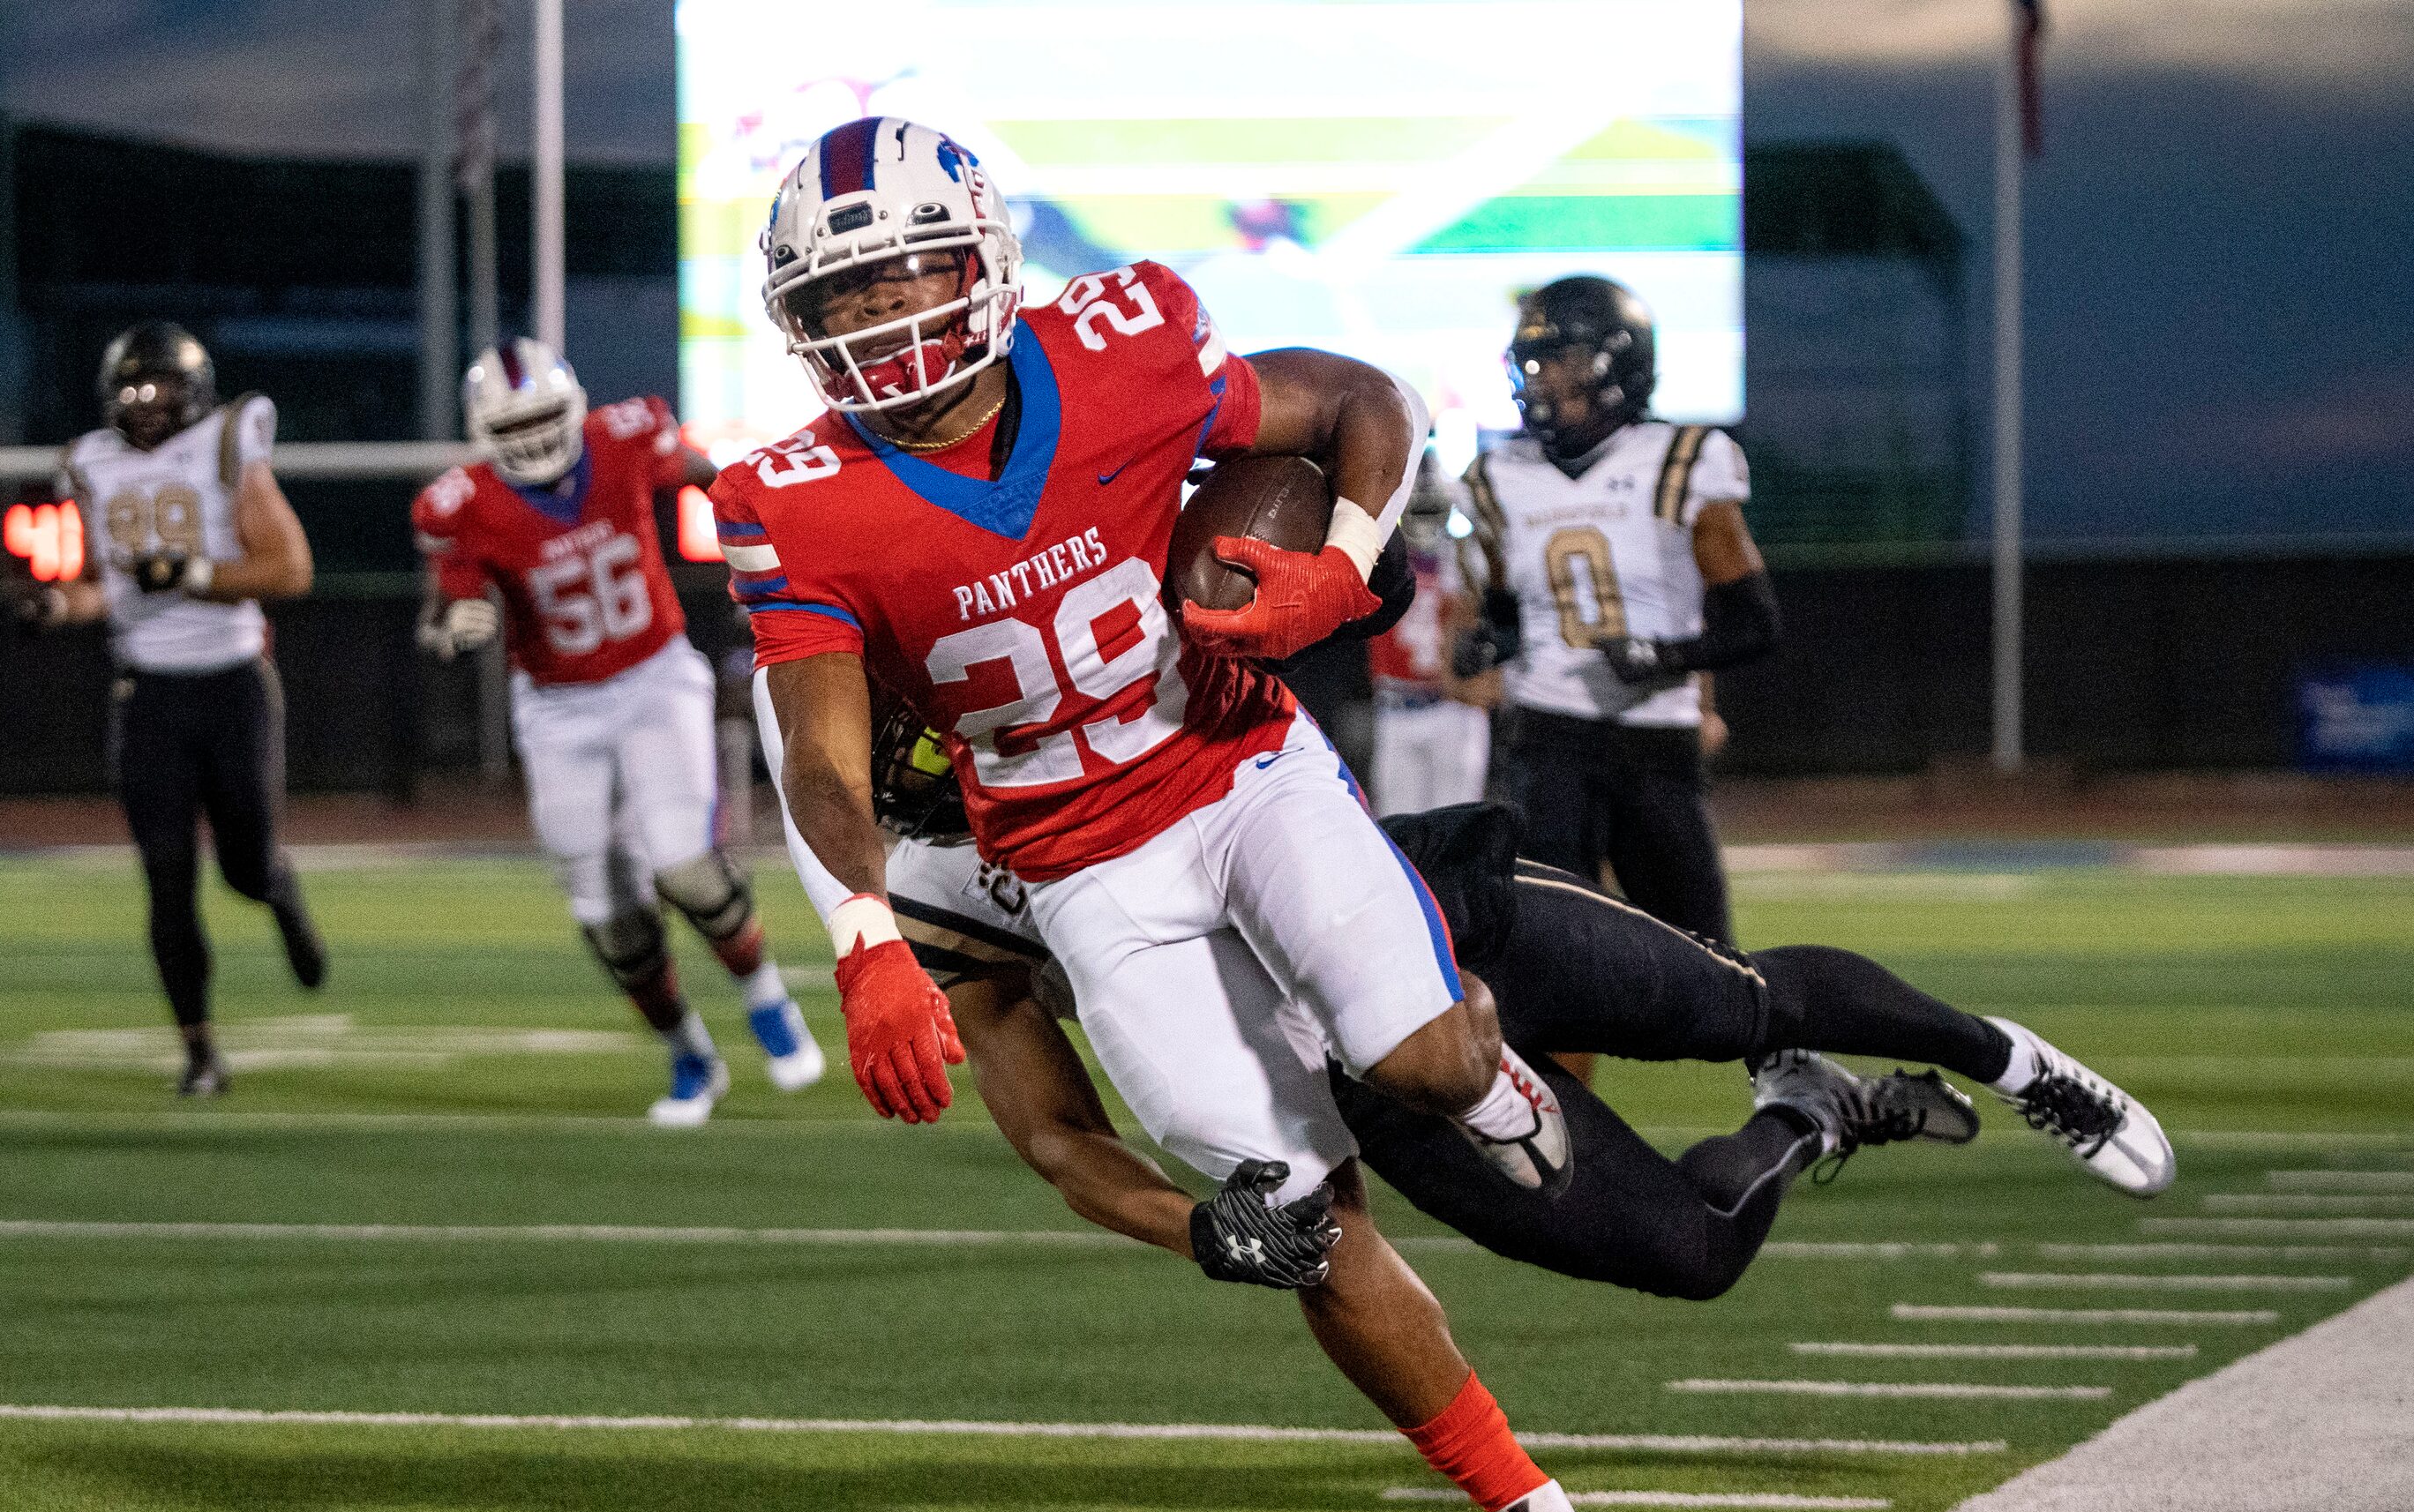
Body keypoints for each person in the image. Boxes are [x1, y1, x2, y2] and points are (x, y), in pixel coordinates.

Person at [725, 116, 1591, 1512]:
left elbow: (1362, 399)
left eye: (901, 276)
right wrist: (864, 937)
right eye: (841, 299)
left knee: (1428, 1060)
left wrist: (1341, 555)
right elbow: (817, 752)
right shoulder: (791, 497)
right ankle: (1524, 1501)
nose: (877, 321)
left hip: (1238, 762)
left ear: (983, 258)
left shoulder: (1123, 341)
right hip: (1075, 865)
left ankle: (1495, 1075)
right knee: (1294, 1209)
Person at [785, 704, 2174, 1295]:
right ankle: (1805, 1119)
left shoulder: (1079, 646)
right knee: (1686, 1255)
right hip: (1354, 1084)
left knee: (1738, 998)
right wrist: (1196, 1223)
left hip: (1432, 921)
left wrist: (1330, 572)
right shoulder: (918, 886)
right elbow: (1050, 1125)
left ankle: (2012, 1056)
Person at [413, 341, 823, 1124]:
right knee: (602, 909)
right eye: (515, 422)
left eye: (542, 417)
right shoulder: (460, 504)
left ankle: (767, 1000)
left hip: (652, 678)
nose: (532, 436)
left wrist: (770, 554)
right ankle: (690, 1054)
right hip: (558, 709)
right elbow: (441, 614)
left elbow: (722, 484)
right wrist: (452, 626)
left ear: (572, 408)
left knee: (682, 864)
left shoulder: (625, 439)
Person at [23, 322, 326, 1097]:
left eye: (161, 388)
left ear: (197, 393)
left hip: (231, 682)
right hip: (148, 690)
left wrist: (189, 571)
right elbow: (108, 586)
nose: (147, 405)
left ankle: (280, 892)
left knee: (245, 867)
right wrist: (62, 606)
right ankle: (199, 1050)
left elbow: (289, 569)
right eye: (132, 390)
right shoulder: (88, 462)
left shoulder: (229, 441)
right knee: (165, 873)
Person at [1458, 276, 1780, 947]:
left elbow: (1755, 624)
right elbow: (1509, 612)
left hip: (1651, 736)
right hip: (1546, 739)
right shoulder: (1496, 478)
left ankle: (1782, 1056)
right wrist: (1492, 640)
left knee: (1708, 961)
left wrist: (1664, 657)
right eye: (1534, 361)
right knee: (1552, 953)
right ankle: (1540, 1060)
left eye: (1562, 360)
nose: (1542, 379)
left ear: (1619, 362)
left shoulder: (1682, 460)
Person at [1368, 449, 1495, 817]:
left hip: (1452, 706)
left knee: (1456, 831)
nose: (1425, 519)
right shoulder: (1380, 556)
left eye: (1433, 507)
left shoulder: (1466, 558)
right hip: (1395, 707)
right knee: (1399, 831)